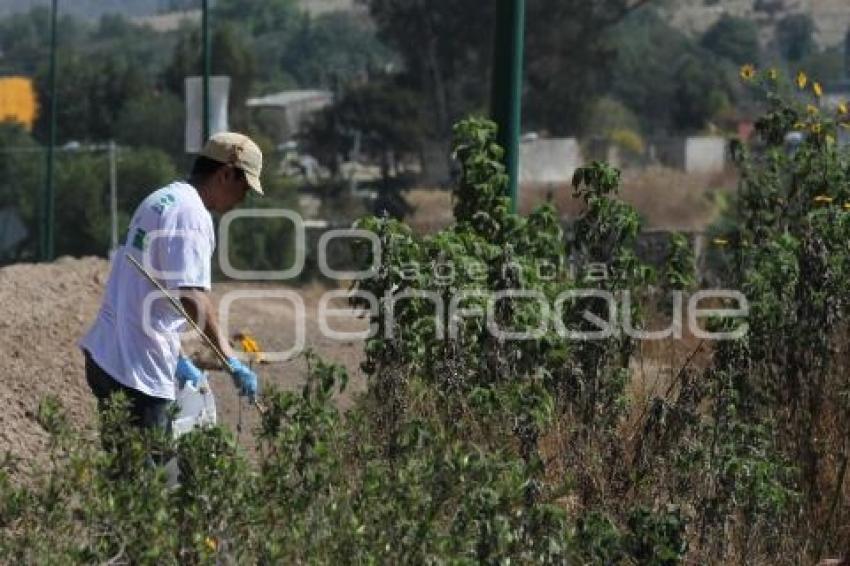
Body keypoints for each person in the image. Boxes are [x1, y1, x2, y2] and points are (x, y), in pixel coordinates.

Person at [79, 132, 263, 435]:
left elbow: (146, 292)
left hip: (107, 357)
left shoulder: (161, 199)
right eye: (244, 188)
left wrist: (176, 359)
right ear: (226, 174)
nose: (242, 199)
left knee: (123, 468)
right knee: (150, 474)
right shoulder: (192, 217)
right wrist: (231, 361)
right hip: (138, 373)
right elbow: (192, 297)